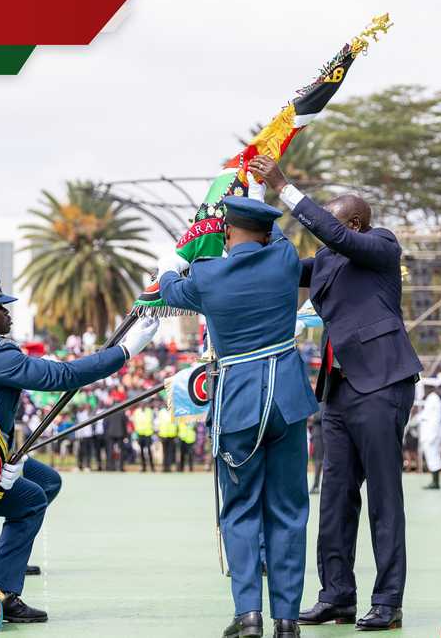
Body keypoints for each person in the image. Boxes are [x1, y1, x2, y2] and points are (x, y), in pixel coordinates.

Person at [0, 272, 158, 623]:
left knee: (35, 494)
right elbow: (61, 376)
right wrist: (123, 352)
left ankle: (5, 593)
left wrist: (7, 459)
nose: (8, 312)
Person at [252, 155, 422, 631]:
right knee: (334, 498)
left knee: (384, 498)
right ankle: (337, 596)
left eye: (332, 217)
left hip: (381, 383)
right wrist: (252, 218)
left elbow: (334, 234)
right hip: (339, 391)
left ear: (354, 223)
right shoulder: (327, 260)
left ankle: (388, 601)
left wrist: (284, 187)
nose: (324, 225)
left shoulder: (381, 244)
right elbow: (285, 266)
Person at [158, 195, 318, 638]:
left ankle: (248, 613)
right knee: (289, 511)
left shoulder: (207, 275)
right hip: (287, 400)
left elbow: (168, 286)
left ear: (226, 232)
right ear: (267, 234)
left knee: (240, 510)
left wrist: (176, 256)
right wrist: (258, 189)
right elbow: (278, 234)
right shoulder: (284, 259)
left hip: (239, 405)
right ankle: (287, 618)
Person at [415, 372, 441, 490]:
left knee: (433, 457)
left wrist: (432, 436)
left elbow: (435, 419)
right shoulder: (430, 399)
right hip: (428, 435)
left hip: (431, 435)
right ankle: (434, 481)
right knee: (432, 457)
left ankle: (435, 482)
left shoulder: (433, 399)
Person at [133, 405, 156, 472]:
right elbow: (135, 423)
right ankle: (143, 467)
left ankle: (152, 467)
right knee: (141, 451)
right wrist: (136, 434)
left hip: (148, 433)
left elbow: (152, 421)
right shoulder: (136, 412)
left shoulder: (149, 411)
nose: (142, 405)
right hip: (140, 434)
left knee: (149, 451)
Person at [156, 407, 177, 472]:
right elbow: (158, 423)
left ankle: (169, 467)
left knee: (170, 452)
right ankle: (165, 467)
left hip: (172, 435)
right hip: (163, 435)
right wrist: (158, 433)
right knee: (165, 452)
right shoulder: (161, 412)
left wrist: (176, 434)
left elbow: (176, 423)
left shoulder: (173, 411)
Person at [307, 410, 323, 494]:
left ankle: (316, 486)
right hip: (316, 435)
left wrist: (310, 417)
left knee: (318, 461)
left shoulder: (321, 403)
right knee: (317, 461)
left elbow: (320, 416)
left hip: (319, 436)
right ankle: (316, 485)